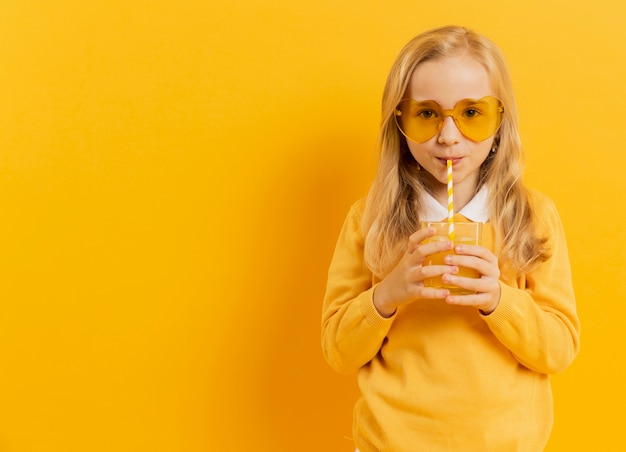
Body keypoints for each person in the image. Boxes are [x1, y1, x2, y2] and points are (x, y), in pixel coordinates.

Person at [321, 25, 580, 451]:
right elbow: (338, 351)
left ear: (500, 121)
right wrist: (386, 295)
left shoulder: (531, 218)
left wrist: (498, 299)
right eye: (427, 113)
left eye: (471, 114)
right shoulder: (369, 220)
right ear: (400, 123)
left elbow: (560, 348)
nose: (448, 136)